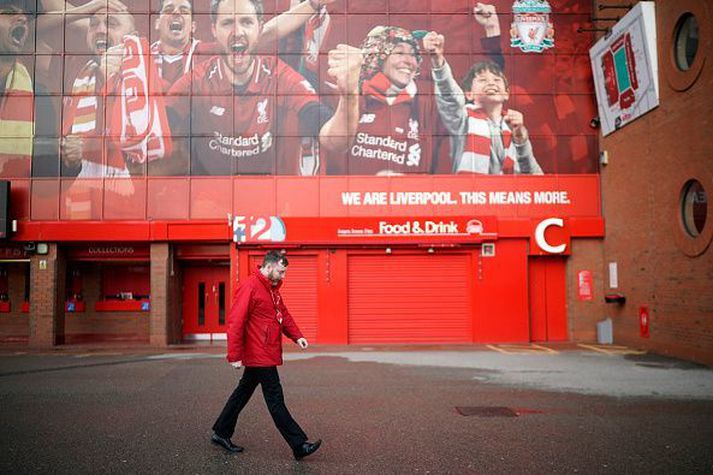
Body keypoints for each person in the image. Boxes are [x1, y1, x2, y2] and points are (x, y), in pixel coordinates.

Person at [165, 0, 346, 176]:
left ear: (258, 28)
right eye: (227, 23)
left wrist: (350, 95)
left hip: (263, 192)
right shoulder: (200, 73)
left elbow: (334, 137)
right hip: (208, 193)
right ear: (214, 29)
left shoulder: (277, 74)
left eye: (246, 22)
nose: (237, 32)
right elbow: (157, 130)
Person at [212, 251, 322, 460]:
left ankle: (221, 432)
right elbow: (236, 321)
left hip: (264, 352)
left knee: (242, 392)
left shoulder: (272, 290)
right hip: (260, 354)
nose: (283, 276)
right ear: (269, 267)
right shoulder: (250, 287)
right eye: (281, 271)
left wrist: (297, 336)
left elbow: (284, 315)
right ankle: (298, 444)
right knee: (275, 399)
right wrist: (234, 354)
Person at [425, 4, 543, 175]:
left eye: (496, 80)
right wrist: (437, 60)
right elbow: (449, 96)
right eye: (482, 80)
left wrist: (520, 139)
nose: (491, 83)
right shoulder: (462, 119)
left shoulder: (514, 126)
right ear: (469, 94)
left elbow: (534, 178)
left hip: (508, 200)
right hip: (471, 198)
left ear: (506, 93)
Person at [325, 26, 441, 175]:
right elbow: (332, 144)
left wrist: (438, 61)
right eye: (399, 52)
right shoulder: (341, 97)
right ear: (378, 57)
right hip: (349, 197)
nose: (409, 61)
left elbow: (458, 112)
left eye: (413, 55)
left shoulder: (424, 107)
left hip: (404, 198)